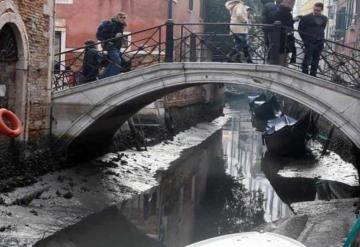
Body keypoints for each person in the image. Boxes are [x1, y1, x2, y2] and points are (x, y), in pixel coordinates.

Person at [299, 2, 328, 77]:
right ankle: (304, 73)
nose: (316, 11)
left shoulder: (325, 18)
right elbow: (300, 29)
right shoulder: (306, 18)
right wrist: (305, 39)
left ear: (321, 10)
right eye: (314, 10)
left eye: (318, 10)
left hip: (319, 41)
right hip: (309, 41)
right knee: (307, 57)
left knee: (316, 58)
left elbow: (322, 28)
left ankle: (313, 74)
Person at [96, 12, 127, 78]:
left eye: (124, 17)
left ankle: (102, 77)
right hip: (110, 46)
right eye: (120, 17)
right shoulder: (110, 24)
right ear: (116, 17)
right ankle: (113, 76)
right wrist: (114, 37)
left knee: (116, 62)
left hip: (117, 47)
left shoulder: (120, 26)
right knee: (117, 60)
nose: (122, 19)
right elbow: (100, 35)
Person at [274, 0, 295, 65]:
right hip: (282, 37)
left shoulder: (287, 12)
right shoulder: (280, 11)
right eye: (291, 3)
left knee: (285, 55)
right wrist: (293, 21)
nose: (292, 5)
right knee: (282, 54)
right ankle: (283, 66)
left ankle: (284, 65)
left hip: (286, 37)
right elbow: (281, 24)